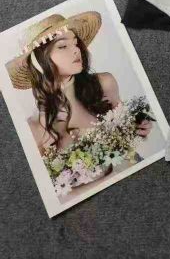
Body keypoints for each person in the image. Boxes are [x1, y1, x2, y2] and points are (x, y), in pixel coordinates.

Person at [7, 11, 152, 163]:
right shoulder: (34, 129)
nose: (76, 50)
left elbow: (129, 131)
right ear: (39, 61)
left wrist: (139, 126)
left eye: (75, 43)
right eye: (63, 46)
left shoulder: (104, 84)